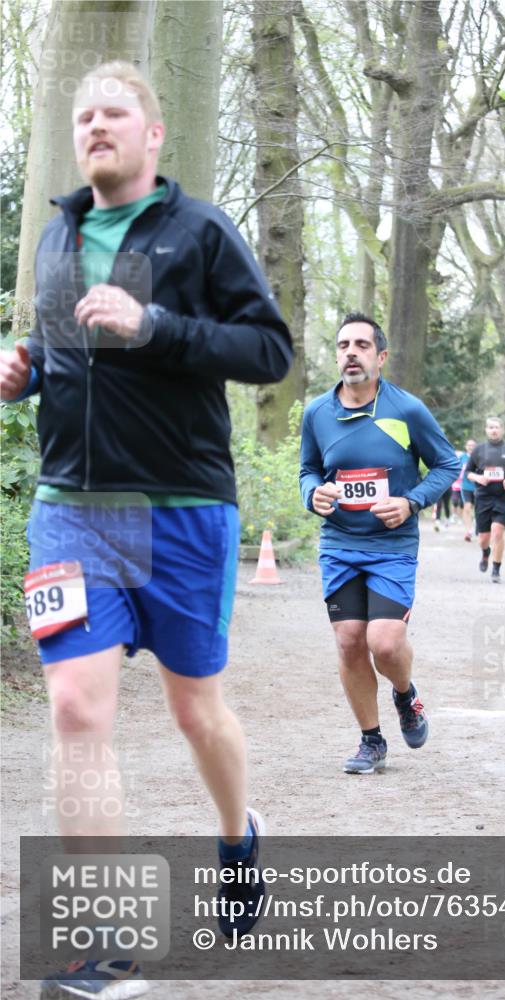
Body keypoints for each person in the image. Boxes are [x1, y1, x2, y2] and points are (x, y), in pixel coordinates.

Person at [0, 62, 292, 997]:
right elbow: (63, 348)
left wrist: (156, 323)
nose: (96, 126)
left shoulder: (200, 232)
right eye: (83, 115)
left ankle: (237, 838)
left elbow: (269, 350)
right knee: (78, 709)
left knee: (193, 708)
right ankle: (101, 946)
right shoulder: (54, 236)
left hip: (183, 513)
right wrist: (29, 371)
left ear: (152, 133)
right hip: (71, 514)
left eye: (113, 113)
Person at [299, 312, 460, 774]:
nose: (351, 352)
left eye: (362, 345)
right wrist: (314, 493)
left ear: (381, 356)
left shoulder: (406, 409)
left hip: (391, 546)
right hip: (339, 544)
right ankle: (371, 741)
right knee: (350, 641)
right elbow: (308, 469)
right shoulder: (317, 413)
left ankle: (406, 696)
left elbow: (447, 466)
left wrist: (411, 502)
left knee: (385, 643)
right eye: (343, 344)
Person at [464, 418, 505, 583]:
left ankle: (496, 569)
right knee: (483, 539)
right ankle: (485, 553)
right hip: (483, 497)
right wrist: (479, 478)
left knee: (497, 532)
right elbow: (468, 472)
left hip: (502, 498)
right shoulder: (479, 450)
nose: (493, 430)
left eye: (496, 427)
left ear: (502, 430)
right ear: (486, 430)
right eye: (490, 427)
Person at [460, 438, 476, 541]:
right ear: (466, 447)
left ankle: (478, 527)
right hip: (466, 486)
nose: (470, 447)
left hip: (478, 487)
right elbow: (455, 469)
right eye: (469, 445)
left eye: (473, 445)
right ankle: (468, 530)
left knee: (479, 510)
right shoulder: (462, 457)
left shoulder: (479, 457)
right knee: (467, 507)